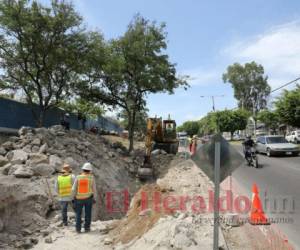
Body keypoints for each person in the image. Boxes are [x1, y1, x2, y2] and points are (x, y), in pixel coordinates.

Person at [72, 162, 97, 233]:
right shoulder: (91, 178)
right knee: (88, 213)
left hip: (79, 199)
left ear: (83, 169)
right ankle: (87, 228)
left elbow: (73, 189)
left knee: (78, 214)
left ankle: (78, 229)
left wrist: (73, 197)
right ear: (90, 170)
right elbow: (94, 189)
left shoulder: (78, 177)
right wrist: (95, 198)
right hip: (88, 199)